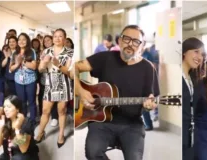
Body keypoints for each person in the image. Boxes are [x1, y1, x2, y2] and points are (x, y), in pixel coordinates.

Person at [75, 25, 159, 160]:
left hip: (132, 124)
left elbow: (149, 99)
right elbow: (75, 67)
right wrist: (80, 91)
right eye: (127, 39)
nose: (130, 44)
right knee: (93, 153)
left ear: (141, 46)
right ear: (119, 41)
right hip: (101, 121)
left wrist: (148, 106)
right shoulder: (104, 58)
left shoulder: (148, 68)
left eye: (136, 41)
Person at [35, 28, 73, 148]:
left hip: (64, 84)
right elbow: (40, 69)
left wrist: (59, 65)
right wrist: (44, 63)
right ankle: (40, 132)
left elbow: (70, 74)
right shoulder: (47, 51)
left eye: (60, 36)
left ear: (65, 38)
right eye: (55, 36)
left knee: (62, 111)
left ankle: (61, 134)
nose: (57, 38)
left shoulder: (70, 52)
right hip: (50, 83)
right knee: (45, 111)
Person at [0, 95, 39, 160]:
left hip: (25, 155)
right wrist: (0, 128)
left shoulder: (27, 122)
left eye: (9, 107)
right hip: (10, 153)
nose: (5, 109)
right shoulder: (4, 121)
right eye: (4, 107)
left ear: (17, 109)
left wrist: (17, 129)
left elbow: (24, 149)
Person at [182, 37, 204, 160]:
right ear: (184, 52)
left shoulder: (193, 78)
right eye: (196, 51)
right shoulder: (178, 76)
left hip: (191, 133)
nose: (199, 57)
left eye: (202, 54)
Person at [9, 33, 37, 122]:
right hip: (18, 81)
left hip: (30, 80)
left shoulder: (31, 51)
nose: (21, 41)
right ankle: (23, 119)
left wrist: (23, 61)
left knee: (32, 101)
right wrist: (17, 63)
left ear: (27, 41)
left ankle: (33, 120)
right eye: (19, 39)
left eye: (24, 39)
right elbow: (11, 68)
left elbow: (34, 66)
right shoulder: (14, 53)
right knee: (22, 101)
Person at [38, 35, 59, 127]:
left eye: (48, 40)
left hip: (55, 78)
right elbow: (40, 67)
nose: (47, 42)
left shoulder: (57, 51)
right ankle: (45, 114)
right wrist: (42, 61)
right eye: (45, 41)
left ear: (52, 40)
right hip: (44, 78)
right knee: (44, 98)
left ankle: (55, 117)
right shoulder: (43, 52)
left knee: (53, 98)